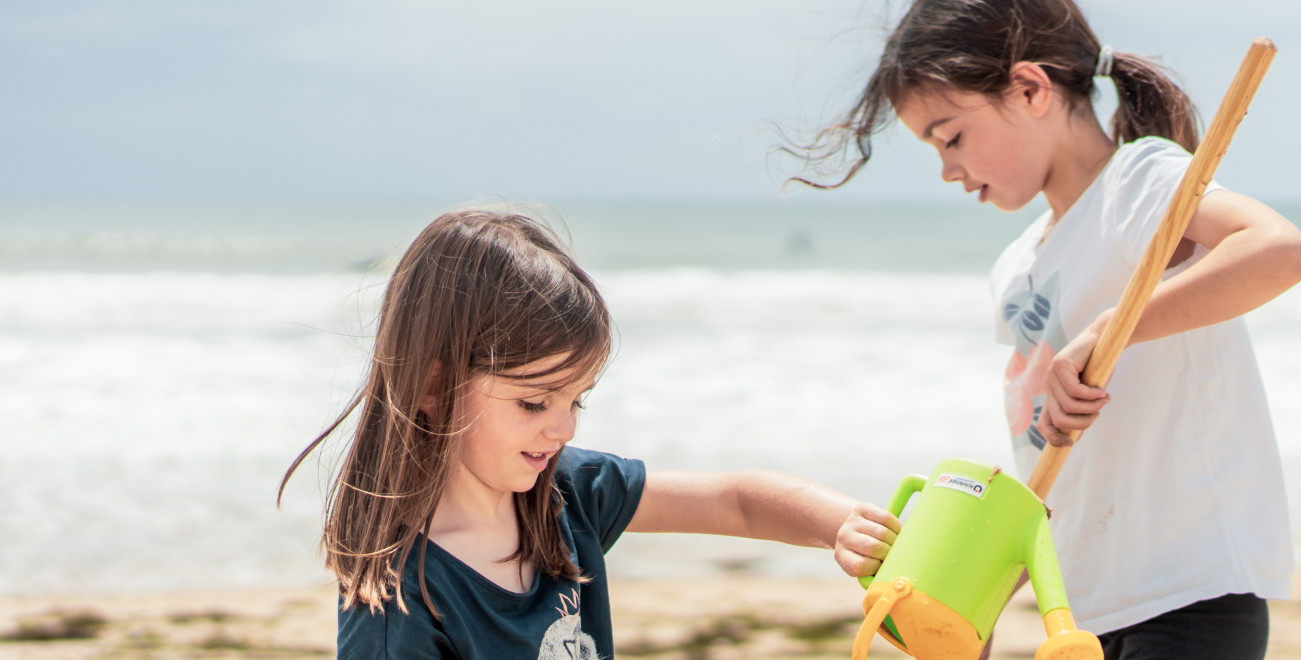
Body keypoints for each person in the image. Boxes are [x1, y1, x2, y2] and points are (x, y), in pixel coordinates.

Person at [789, 1, 1301, 657]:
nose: (948, 169)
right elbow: (1049, 475)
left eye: (950, 137)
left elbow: (1277, 251)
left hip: (1190, 591)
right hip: (1086, 613)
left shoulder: (1137, 182)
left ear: (1031, 89)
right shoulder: (1017, 269)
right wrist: (976, 600)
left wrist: (1108, 330)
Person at [279, 209, 901, 659]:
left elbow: (734, 501)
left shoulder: (567, 493)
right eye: (533, 402)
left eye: (577, 400)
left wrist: (842, 525)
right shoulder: (400, 605)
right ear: (434, 389)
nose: (563, 426)